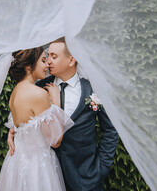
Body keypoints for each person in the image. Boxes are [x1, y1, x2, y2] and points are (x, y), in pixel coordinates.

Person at [7, 37, 119, 191]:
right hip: (46, 176)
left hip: (85, 177)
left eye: (54, 57)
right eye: (47, 57)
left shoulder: (93, 89)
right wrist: (13, 130)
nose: (48, 62)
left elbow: (110, 130)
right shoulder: (39, 88)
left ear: (71, 60)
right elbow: (25, 116)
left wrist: (101, 169)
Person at [0, 47, 74, 191]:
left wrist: (12, 131)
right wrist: (56, 102)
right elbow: (56, 141)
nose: (47, 66)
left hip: (16, 164)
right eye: (43, 61)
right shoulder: (38, 94)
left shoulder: (15, 92)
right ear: (27, 66)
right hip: (37, 166)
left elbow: (23, 125)